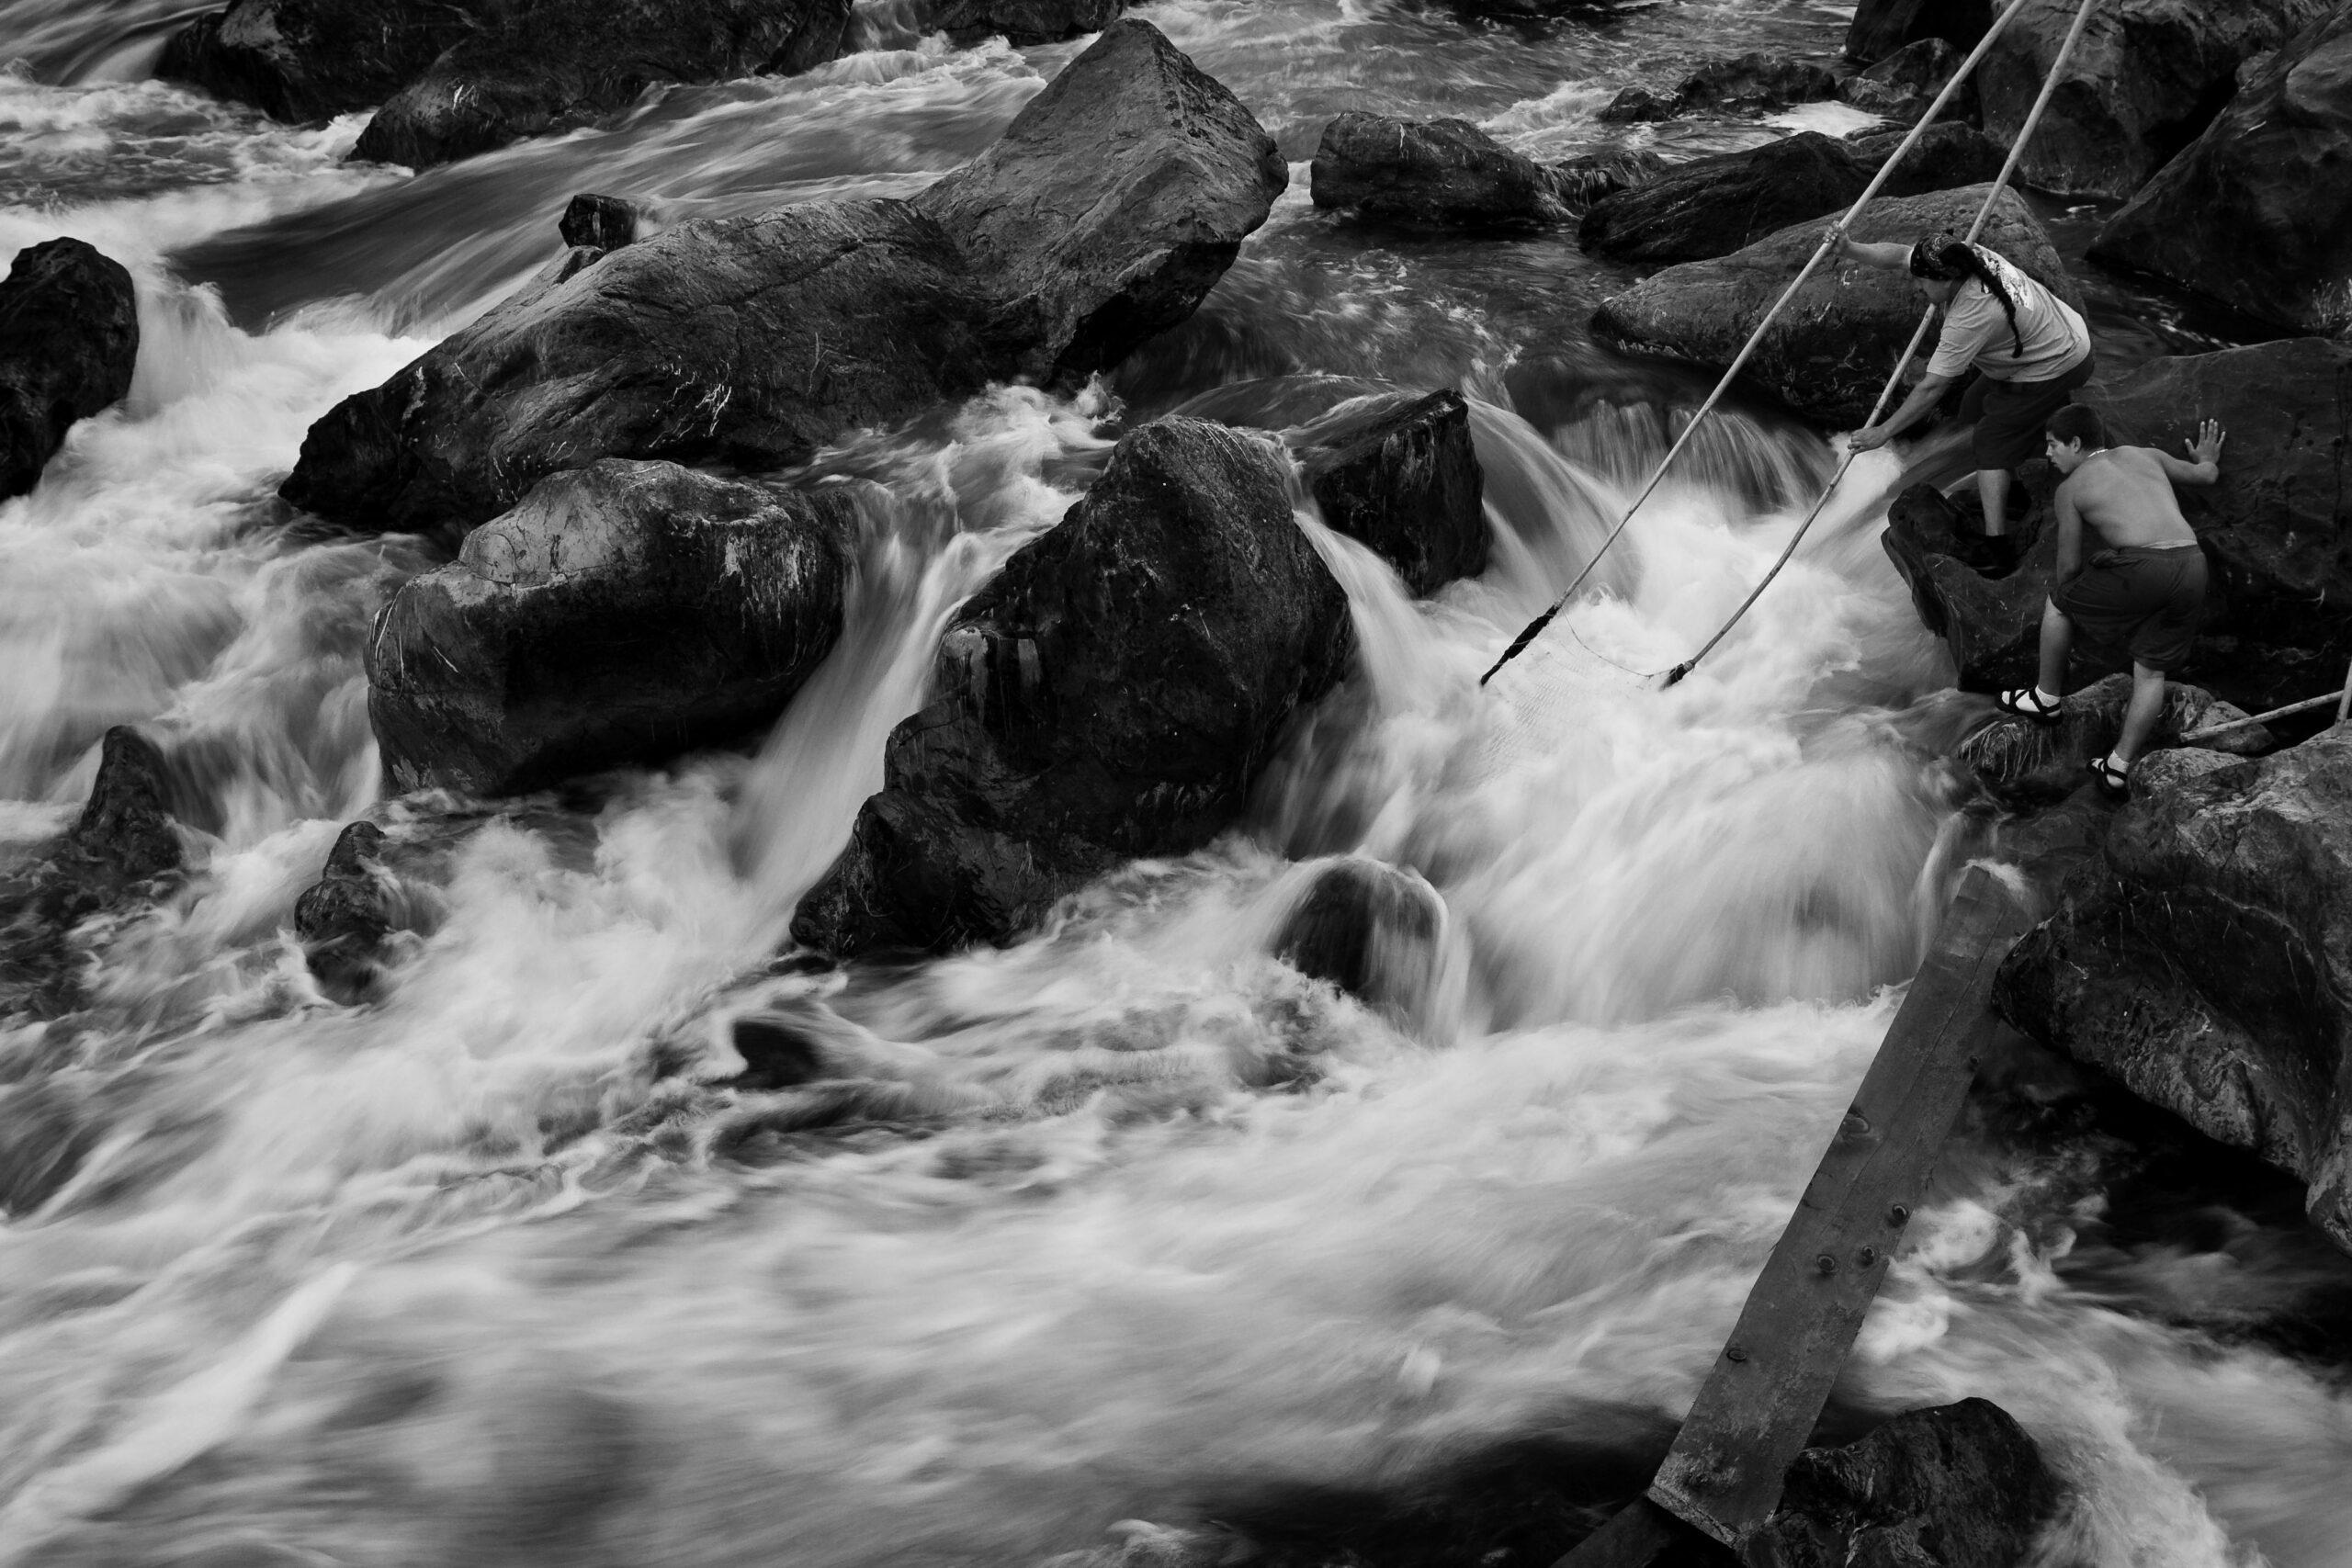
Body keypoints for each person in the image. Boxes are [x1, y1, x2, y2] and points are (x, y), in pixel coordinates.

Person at [1995, 404, 2225, 797]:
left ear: (2077, 443)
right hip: (2192, 564)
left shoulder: (2070, 490)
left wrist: (2082, 590)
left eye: (2053, 446)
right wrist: (2206, 458)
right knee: (2151, 672)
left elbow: (2067, 567)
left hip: (2144, 566)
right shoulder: (2143, 454)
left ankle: (2046, 697)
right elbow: (2205, 475)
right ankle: (2118, 766)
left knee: (2059, 601)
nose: (2048, 455)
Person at [1834, 231, 2095, 573]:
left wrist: (1882, 433)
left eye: (1922, 282)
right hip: (2060, 333)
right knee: (1973, 404)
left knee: (1989, 441)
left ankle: (1997, 546)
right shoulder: (1964, 255)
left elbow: (1932, 388)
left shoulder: (1971, 316)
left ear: (1946, 280)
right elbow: (1899, 254)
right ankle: (2016, 477)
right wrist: (1850, 249)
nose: (1917, 287)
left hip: (2058, 362)